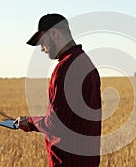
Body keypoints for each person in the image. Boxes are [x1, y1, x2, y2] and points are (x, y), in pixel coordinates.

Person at [15, 13, 102, 167]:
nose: (42, 49)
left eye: (42, 41)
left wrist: (29, 122)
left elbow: (57, 124)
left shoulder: (66, 68)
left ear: (54, 34)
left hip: (68, 162)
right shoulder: (84, 62)